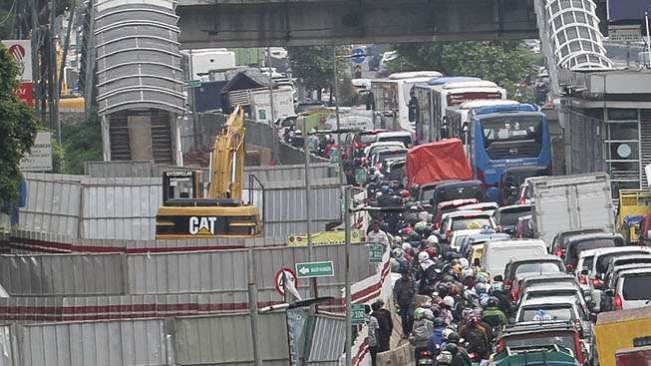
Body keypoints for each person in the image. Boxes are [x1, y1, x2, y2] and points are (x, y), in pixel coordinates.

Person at [393, 269, 416, 337]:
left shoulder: (412, 282)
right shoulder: (398, 282)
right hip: (402, 303)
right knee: (403, 318)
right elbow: (395, 292)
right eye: (403, 274)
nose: (404, 276)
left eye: (406, 274)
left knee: (411, 316)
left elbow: (415, 291)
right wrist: (396, 302)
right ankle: (406, 333)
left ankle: (410, 330)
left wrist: (413, 300)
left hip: (410, 303)